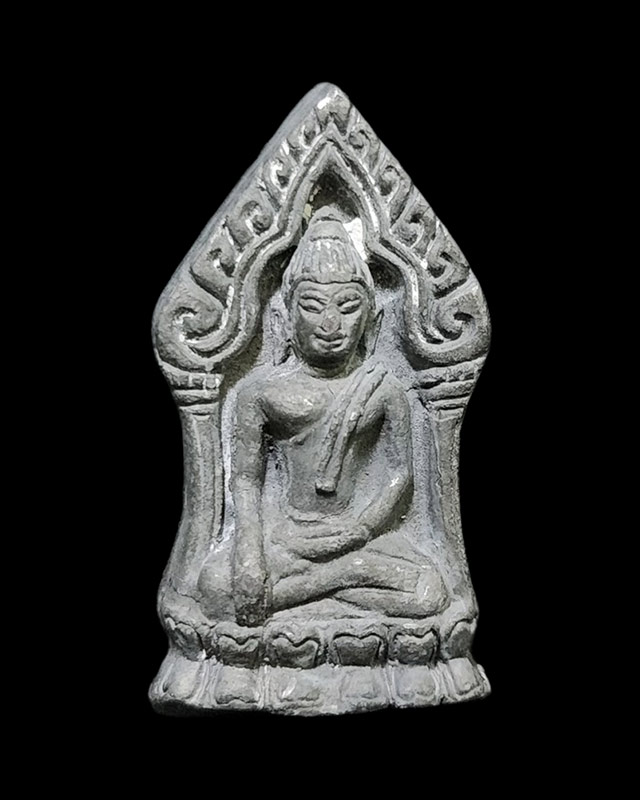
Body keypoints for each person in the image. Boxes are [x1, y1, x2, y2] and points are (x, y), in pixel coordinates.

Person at [198, 208, 449, 627]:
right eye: (312, 306)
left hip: (358, 537)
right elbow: (245, 480)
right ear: (284, 317)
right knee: (215, 587)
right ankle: (342, 581)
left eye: (348, 307)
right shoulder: (260, 392)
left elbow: (399, 473)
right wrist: (249, 555)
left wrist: (360, 530)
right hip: (287, 536)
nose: (331, 324)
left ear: (371, 318)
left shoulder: (384, 389)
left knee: (430, 592)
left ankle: (331, 580)